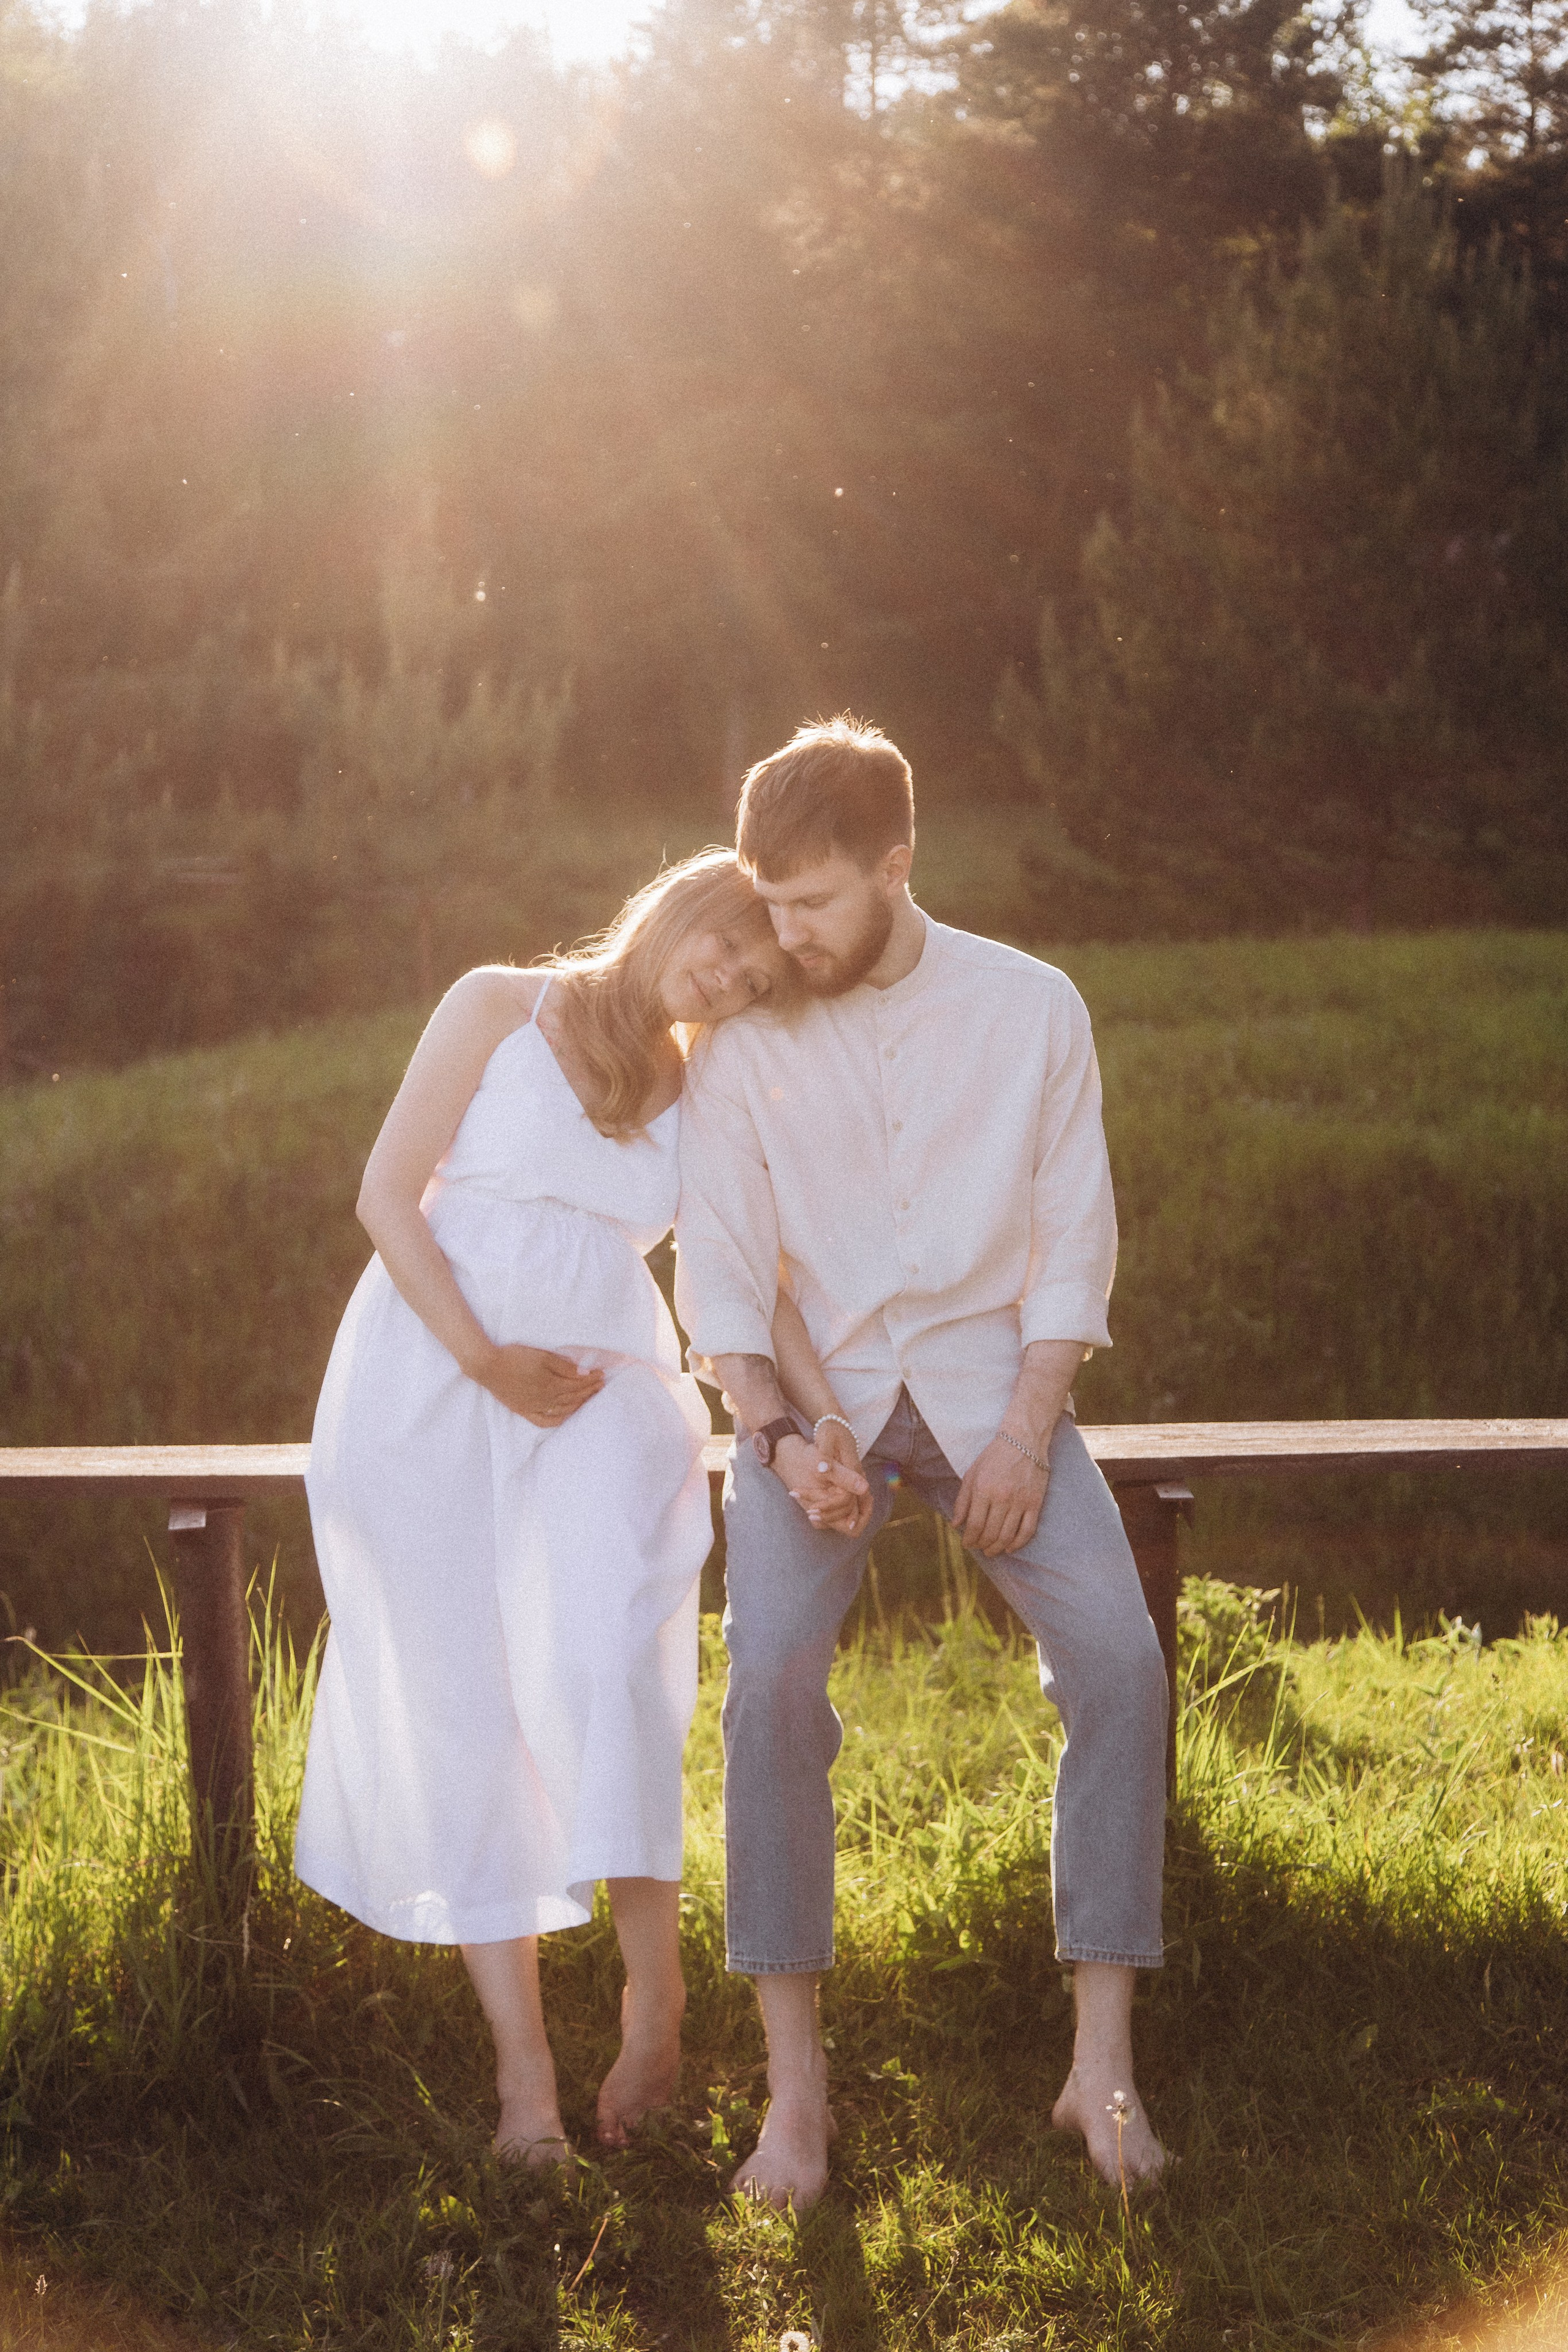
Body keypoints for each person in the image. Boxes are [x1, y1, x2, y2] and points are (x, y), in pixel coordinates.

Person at [674, 718, 1170, 2211]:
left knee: (1119, 1665)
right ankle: (796, 2098)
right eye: (768, 902)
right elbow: (721, 1269)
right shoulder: (742, 1043)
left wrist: (1024, 1432)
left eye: (813, 902)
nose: (783, 937)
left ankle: (1100, 2071)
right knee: (767, 1685)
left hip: (990, 1395)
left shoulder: (1032, 1007)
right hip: (811, 1411)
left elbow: (1072, 1242)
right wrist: (777, 1438)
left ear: (895, 866)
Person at [296, 849, 813, 2165]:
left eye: (758, 980)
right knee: (462, 1703)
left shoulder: (707, 1083)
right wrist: (482, 1359)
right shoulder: (496, 1004)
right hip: (428, 1378)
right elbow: (384, 1194)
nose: (732, 980)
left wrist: (810, 1412)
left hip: (598, 1391)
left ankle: (657, 1997)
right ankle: (524, 2084)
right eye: (730, 946)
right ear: (681, 907)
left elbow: (745, 1265)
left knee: (604, 1665)